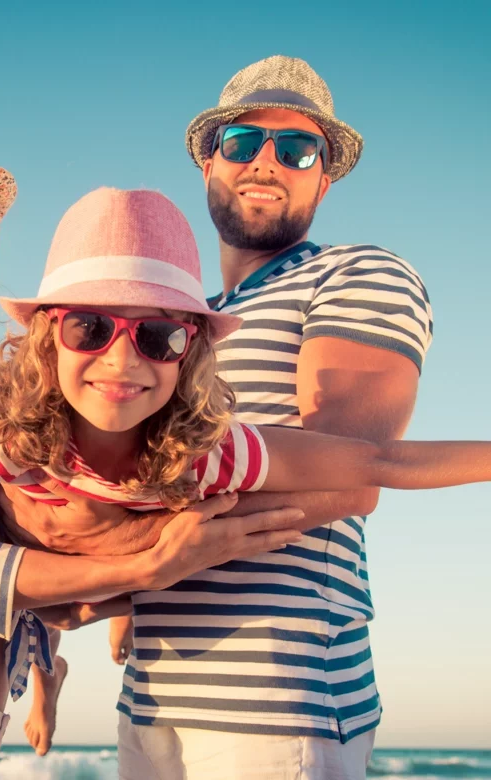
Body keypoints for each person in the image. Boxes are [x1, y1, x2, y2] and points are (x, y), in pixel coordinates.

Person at [0, 186, 484, 780]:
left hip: (189, 669)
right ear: (47, 337)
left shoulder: (206, 456)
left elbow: (379, 463)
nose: (121, 360)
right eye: (91, 328)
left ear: (190, 352)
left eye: (159, 336)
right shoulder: (6, 433)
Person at [110, 56, 435, 779]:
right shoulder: (188, 320)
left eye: (296, 149)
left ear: (325, 178)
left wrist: (136, 545)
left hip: (280, 698)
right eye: (242, 141)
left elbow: (348, 475)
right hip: (152, 699)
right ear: (208, 161)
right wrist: (131, 583)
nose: (265, 162)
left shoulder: (356, 273)